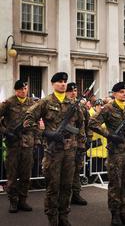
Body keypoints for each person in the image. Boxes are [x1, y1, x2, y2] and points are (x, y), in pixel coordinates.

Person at [24, 72, 86, 226]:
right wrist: (46, 133)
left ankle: (63, 217)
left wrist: (81, 145)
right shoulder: (45, 102)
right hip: (53, 153)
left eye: (65, 81)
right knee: (53, 187)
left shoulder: (73, 103)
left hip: (70, 153)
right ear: (53, 84)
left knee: (66, 187)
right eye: (59, 81)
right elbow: (28, 120)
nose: (63, 84)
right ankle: (53, 219)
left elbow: (80, 125)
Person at [88, 82, 125, 226]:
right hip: (115, 152)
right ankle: (115, 214)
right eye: (121, 91)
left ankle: (123, 212)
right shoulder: (108, 108)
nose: (124, 94)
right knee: (115, 184)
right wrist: (109, 135)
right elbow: (92, 123)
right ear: (114, 94)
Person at [0, 80, 35, 213]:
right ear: (16, 90)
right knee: (12, 175)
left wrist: (36, 139)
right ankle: (13, 202)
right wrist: (5, 132)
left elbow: (36, 122)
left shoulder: (32, 103)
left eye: (25, 88)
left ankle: (23, 201)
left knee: (26, 175)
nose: (23, 91)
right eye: (20, 89)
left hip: (27, 144)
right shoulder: (8, 103)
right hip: (13, 144)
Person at [65, 82, 88, 206]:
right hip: (66, 144)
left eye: (75, 91)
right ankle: (64, 196)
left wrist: (86, 140)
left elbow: (86, 124)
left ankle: (76, 194)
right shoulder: (63, 106)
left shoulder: (82, 107)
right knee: (66, 171)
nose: (74, 93)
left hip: (79, 144)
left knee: (77, 170)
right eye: (71, 91)